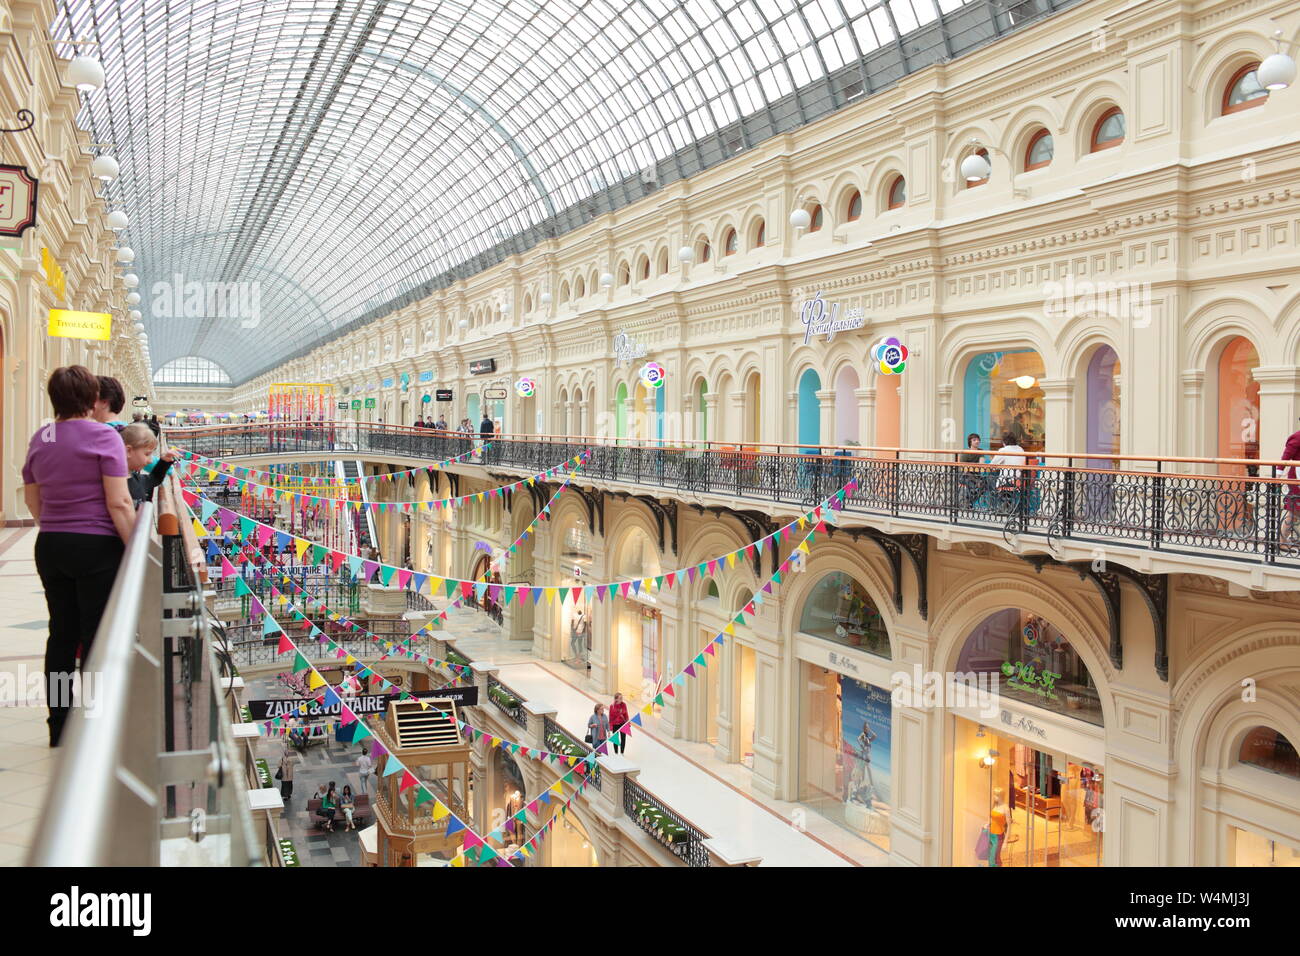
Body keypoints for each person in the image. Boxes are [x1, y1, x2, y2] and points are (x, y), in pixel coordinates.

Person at [23, 367, 136, 746]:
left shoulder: (43, 436)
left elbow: (32, 496)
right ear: (92, 400)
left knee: (61, 634)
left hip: (51, 545)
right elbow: (119, 502)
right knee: (95, 637)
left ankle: (59, 723)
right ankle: (93, 722)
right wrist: (137, 546)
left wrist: (52, 525)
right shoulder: (104, 436)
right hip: (95, 547)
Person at [120, 423, 176, 506]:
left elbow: (154, 479)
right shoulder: (116, 486)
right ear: (128, 451)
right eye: (147, 454)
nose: (150, 461)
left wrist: (164, 462)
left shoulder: (135, 478)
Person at [1281, 420, 1300, 551]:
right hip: (1297, 481)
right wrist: (1278, 472)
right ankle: (1281, 542)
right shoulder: (1297, 436)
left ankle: (1282, 541)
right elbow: (1286, 456)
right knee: (1293, 512)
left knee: (1294, 512)